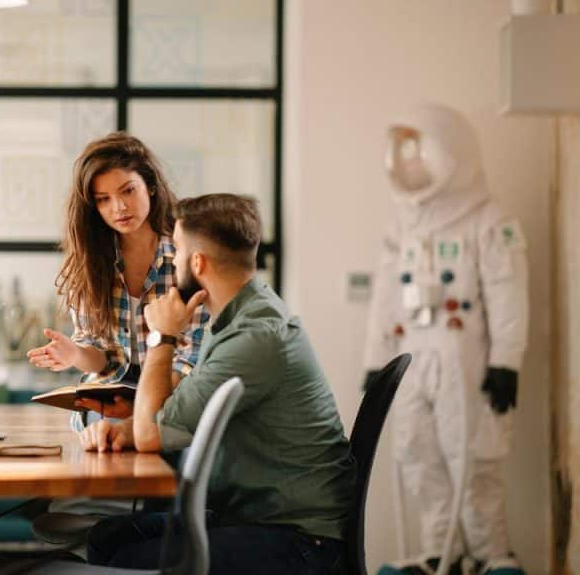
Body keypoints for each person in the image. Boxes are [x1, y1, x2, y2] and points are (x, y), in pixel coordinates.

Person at [79, 194, 355, 574]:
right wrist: (126, 428)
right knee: (107, 538)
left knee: (129, 562)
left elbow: (151, 435)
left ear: (198, 262)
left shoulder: (255, 337)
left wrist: (162, 335)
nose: (172, 260)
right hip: (256, 517)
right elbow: (171, 414)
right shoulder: (236, 317)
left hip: (300, 538)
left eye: (176, 249)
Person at [364, 104, 528, 575]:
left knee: (475, 455)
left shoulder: (488, 220)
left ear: (451, 153)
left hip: (467, 355)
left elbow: (507, 292)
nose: (411, 164)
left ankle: (492, 555)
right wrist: (377, 360)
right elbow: (386, 295)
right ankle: (443, 552)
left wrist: (506, 361)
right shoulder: (402, 225)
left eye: (420, 151)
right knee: (416, 451)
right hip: (414, 353)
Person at [27, 131, 209, 425]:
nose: (119, 207)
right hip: (109, 400)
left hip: (173, 393)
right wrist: (75, 354)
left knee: (118, 430)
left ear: (149, 186)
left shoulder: (186, 258)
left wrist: (140, 408)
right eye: (104, 199)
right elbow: (103, 359)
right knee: (100, 428)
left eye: (128, 191)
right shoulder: (90, 264)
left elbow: (190, 358)